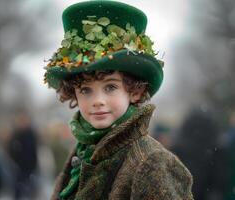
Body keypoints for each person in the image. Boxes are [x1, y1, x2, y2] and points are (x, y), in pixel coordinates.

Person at [43, 1, 193, 199]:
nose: (97, 101)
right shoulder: (82, 151)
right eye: (86, 90)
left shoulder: (152, 162)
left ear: (135, 91)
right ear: (73, 93)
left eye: (110, 87)